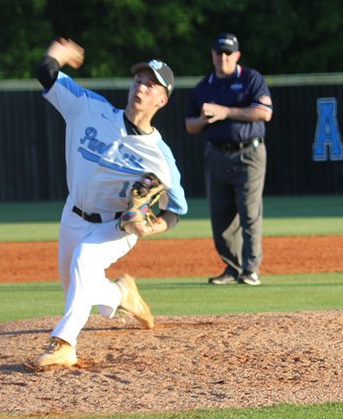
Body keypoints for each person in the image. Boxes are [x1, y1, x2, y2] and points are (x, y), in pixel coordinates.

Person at [29, 38, 188, 370]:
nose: (141, 88)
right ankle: (122, 295)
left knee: (85, 261)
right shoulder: (88, 108)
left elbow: (177, 209)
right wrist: (58, 54)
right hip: (73, 214)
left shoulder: (160, 156)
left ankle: (64, 344)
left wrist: (152, 226)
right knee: (77, 286)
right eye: (139, 80)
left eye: (151, 84)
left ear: (163, 99)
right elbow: (46, 72)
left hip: (118, 225)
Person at [185, 33, 273, 286]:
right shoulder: (204, 87)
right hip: (216, 153)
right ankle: (232, 267)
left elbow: (265, 112)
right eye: (218, 52)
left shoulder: (250, 79)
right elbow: (190, 125)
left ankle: (250, 269)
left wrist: (225, 112)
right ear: (212, 54)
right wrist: (204, 120)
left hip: (249, 153)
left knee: (249, 212)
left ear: (237, 55)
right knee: (221, 215)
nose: (223, 57)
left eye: (228, 53)